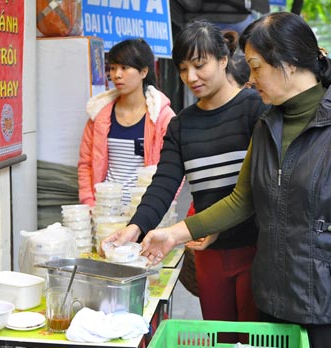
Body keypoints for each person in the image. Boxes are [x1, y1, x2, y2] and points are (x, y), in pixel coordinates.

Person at [140, 12, 331, 348]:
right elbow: (242, 200)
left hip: (330, 303)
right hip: (273, 299)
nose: (251, 80)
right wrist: (172, 234)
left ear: (286, 62)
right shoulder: (268, 123)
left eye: (256, 67)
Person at [101, 21, 268, 333]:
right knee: (222, 335)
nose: (191, 77)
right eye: (183, 68)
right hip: (207, 253)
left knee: (255, 337)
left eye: (200, 65)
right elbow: (163, 183)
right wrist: (134, 229)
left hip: (256, 249)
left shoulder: (256, 110)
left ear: (223, 60)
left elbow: (264, 186)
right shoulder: (182, 125)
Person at [77, 38, 175, 205]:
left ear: (144, 72)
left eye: (125, 67)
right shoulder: (99, 115)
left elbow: (173, 169)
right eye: (113, 68)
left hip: (145, 211)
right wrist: (89, 203)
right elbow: (85, 164)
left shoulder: (162, 118)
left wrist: (156, 207)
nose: (117, 75)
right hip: (106, 212)